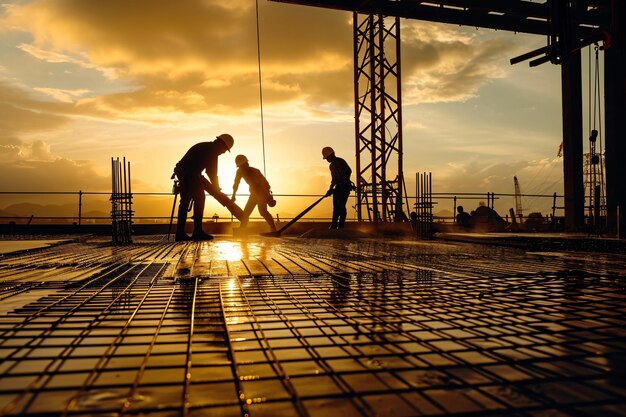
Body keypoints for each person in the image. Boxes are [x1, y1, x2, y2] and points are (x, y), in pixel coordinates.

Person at [172, 133, 243, 241]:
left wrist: (216, 190)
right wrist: (217, 189)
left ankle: (181, 233)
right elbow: (211, 173)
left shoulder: (208, 148)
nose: (223, 152)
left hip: (191, 172)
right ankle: (197, 232)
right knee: (199, 198)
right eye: (224, 150)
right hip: (189, 173)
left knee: (185, 202)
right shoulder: (212, 151)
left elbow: (210, 173)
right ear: (221, 145)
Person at [231, 155, 277, 232]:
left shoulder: (249, 171)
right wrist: (233, 195)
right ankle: (243, 228)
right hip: (256, 194)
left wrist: (234, 195)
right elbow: (236, 184)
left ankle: (273, 228)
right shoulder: (245, 171)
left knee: (259, 212)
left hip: (260, 194)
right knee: (249, 213)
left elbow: (266, 184)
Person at [322, 146, 352, 229]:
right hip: (338, 187)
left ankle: (341, 225)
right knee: (336, 207)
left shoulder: (340, 161)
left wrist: (343, 181)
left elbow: (349, 171)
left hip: (345, 187)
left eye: (327, 158)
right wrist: (330, 189)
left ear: (331, 155)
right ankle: (334, 225)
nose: (327, 160)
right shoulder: (331, 166)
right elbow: (334, 179)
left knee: (341, 206)